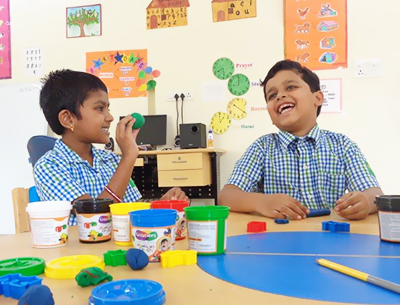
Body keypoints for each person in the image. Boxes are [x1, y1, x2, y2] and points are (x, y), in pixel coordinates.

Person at [219, 60, 383, 220]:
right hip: (277, 240)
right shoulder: (262, 148)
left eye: (291, 87)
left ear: (317, 98)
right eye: (272, 95)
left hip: (330, 239)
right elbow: (227, 196)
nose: (280, 96)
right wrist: (262, 202)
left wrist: (365, 202)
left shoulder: (342, 146)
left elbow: (375, 194)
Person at [34, 69, 188, 225]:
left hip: (115, 247)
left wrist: (160, 205)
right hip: (78, 250)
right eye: (100, 108)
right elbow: (94, 216)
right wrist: (128, 157)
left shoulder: (111, 160)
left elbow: (129, 211)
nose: (110, 117)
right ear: (68, 119)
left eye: (108, 108)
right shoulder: (48, 166)